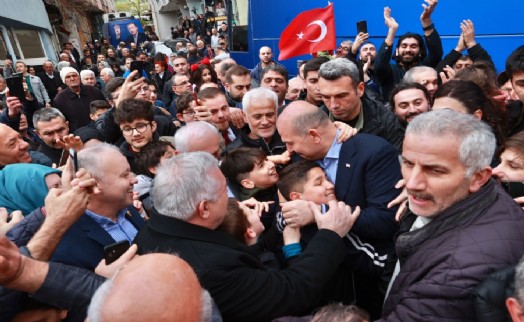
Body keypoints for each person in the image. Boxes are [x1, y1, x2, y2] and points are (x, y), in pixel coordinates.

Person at [134, 151, 361, 321]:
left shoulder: (152, 231)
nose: (233, 199)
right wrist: (330, 234)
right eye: (224, 191)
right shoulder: (213, 268)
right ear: (204, 209)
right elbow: (290, 293)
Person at [379, 109, 524, 321]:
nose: (412, 183)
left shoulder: (457, 270)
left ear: (478, 177)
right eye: (408, 163)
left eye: (435, 171)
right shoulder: (463, 198)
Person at [276, 100, 401, 317]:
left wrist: (319, 215)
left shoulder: (373, 152)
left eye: (290, 143)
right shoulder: (301, 155)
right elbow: (289, 202)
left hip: (370, 282)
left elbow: (386, 219)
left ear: (314, 135)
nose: (289, 151)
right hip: (331, 284)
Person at [317, 58, 405, 152]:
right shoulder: (315, 121)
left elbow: (397, 160)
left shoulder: (386, 119)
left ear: (360, 89)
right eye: (326, 97)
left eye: (341, 96)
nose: (333, 105)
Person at [374, 3, 443, 100]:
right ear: (397, 51)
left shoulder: (424, 67)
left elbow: (436, 53)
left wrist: (426, 21)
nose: (408, 50)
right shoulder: (390, 71)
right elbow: (380, 66)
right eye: (404, 46)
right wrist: (392, 30)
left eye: (413, 46)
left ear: (420, 51)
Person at [432, 79, 508, 146]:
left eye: (447, 115)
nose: (437, 120)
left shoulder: (491, 157)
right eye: (433, 114)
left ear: (476, 117)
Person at [54, 67, 107, 133]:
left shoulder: (93, 91)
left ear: (79, 77)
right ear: (64, 81)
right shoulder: (60, 99)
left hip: (102, 129)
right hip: (80, 134)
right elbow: (62, 121)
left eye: (74, 75)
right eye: (68, 77)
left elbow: (106, 108)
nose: (72, 79)